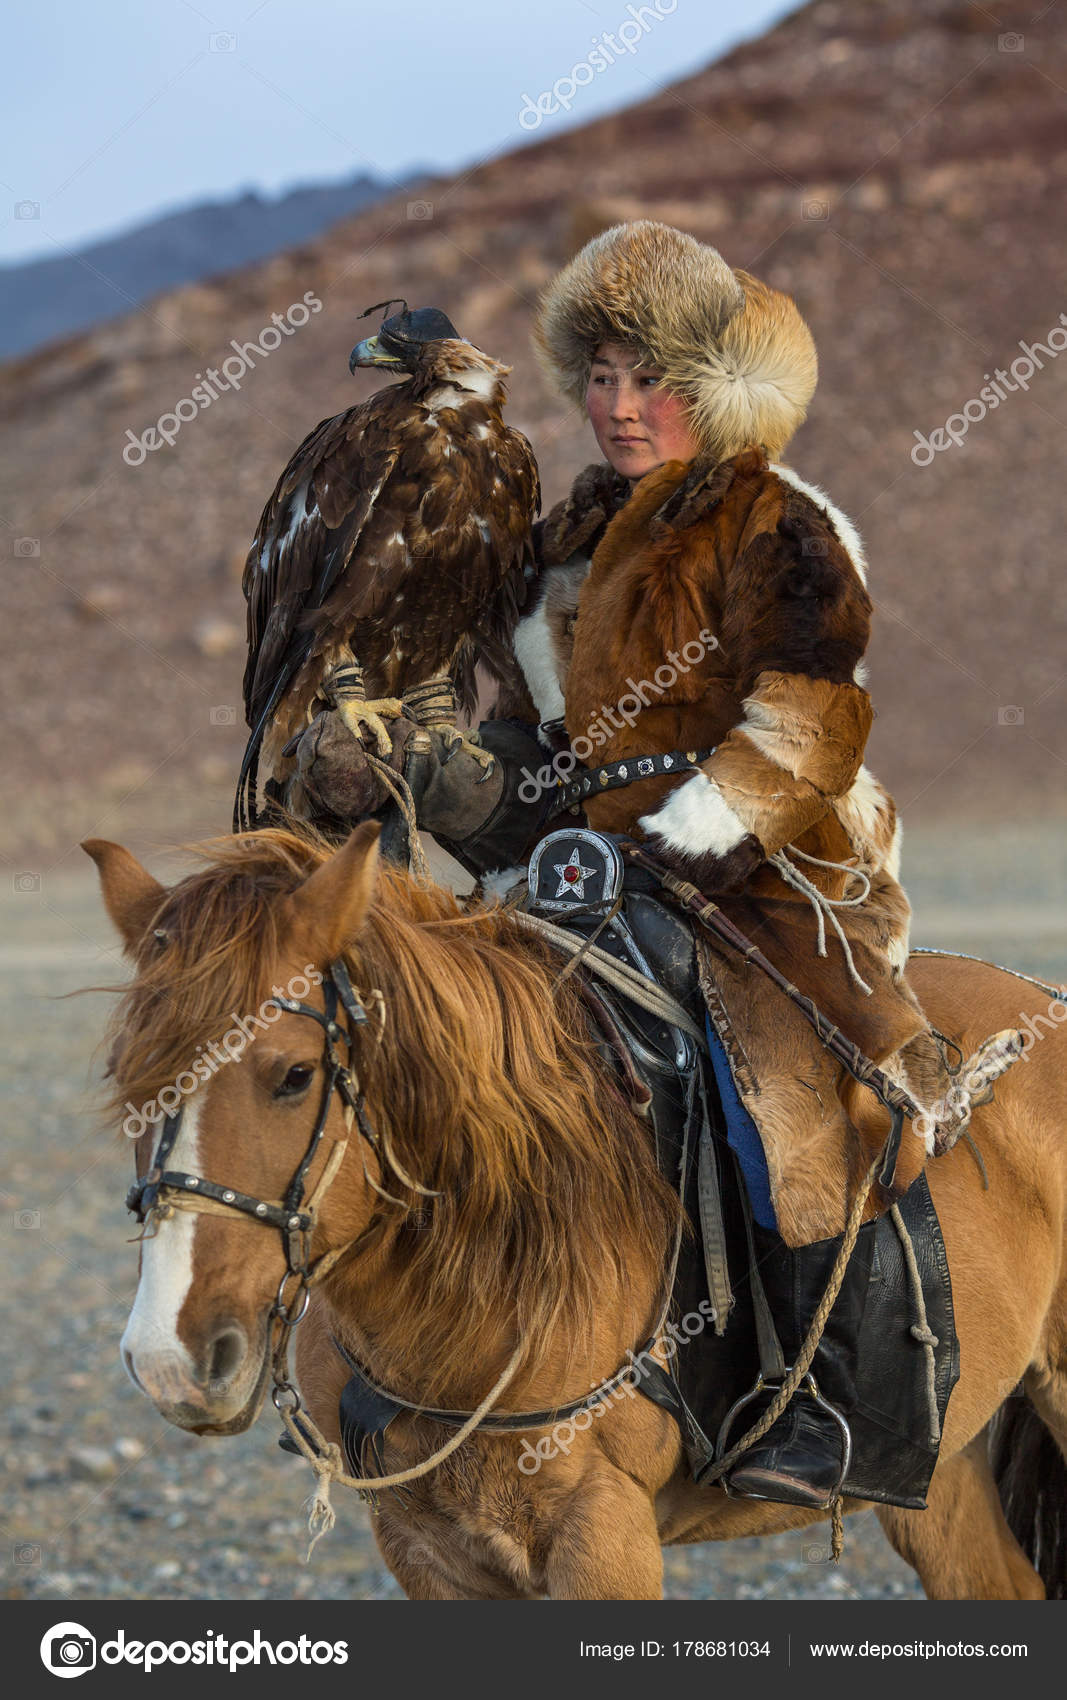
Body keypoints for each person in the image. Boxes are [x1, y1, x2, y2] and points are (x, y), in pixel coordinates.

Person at [281, 222, 953, 1509]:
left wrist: (685, 831)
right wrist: (427, 775)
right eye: (596, 376)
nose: (617, 405)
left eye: (646, 377)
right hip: (588, 874)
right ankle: (440, 1358)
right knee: (442, 1048)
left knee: (788, 1113)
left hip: (762, 878)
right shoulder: (559, 542)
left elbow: (812, 721)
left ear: (706, 388)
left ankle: (833, 1401)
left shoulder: (773, 520)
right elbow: (538, 762)